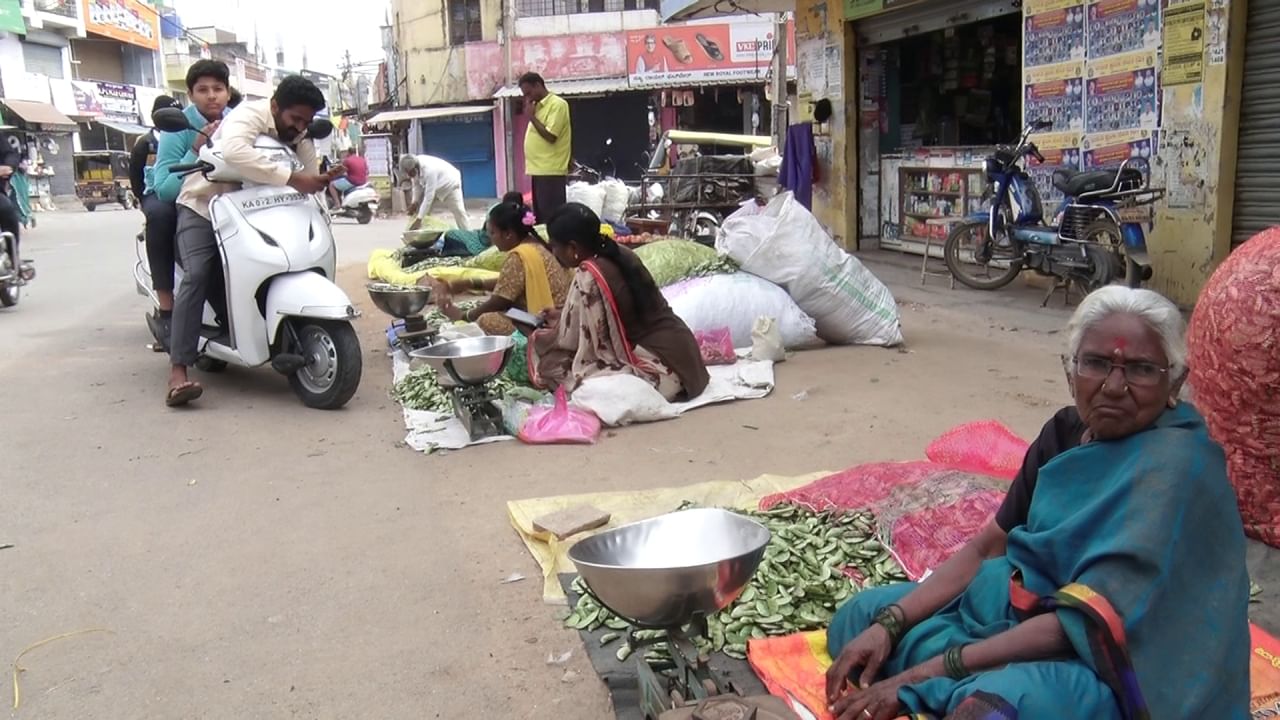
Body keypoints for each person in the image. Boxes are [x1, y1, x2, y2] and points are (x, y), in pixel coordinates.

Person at [823, 286, 1249, 720]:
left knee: (990, 709)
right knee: (857, 624)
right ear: (1070, 372)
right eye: (1097, 364)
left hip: (1113, 659)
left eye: (1140, 369)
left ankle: (956, 686)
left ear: (1174, 380)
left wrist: (924, 673)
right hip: (1017, 622)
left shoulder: (1177, 469)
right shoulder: (1063, 434)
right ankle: (953, 680)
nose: (1114, 386)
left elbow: (1082, 625)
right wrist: (889, 625)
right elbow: (985, 548)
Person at [165, 75, 338, 407]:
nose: (299, 127)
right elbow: (234, 150)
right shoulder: (248, 115)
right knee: (198, 272)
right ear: (275, 106)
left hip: (259, 209)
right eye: (295, 119)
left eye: (305, 121)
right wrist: (292, 177)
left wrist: (319, 183)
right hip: (205, 205)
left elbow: (309, 171)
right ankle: (178, 371)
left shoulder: (297, 132)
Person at [529, 203, 708, 401]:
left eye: (554, 246)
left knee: (553, 365)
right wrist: (564, 316)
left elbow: (585, 341)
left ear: (573, 248)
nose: (554, 253)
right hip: (687, 358)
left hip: (663, 370)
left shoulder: (589, 275)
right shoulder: (620, 252)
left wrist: (544, 335)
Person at [146, 62, 232, 349]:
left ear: (228, 93)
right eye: (203, 90)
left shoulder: (237, 121)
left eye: (218, 89)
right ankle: (168, 309)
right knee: (160, 215)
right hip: (176, 196)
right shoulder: (178, 126)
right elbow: (166, 188)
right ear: (191, 95)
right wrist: (194, 147)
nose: (212, 96)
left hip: (221, 195)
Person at [425, 195, 570, 336]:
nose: (491, 239)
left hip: (547, 319)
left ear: (508, 234)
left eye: (493, 233)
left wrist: (464, 316)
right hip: (561, 315)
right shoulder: (536, 245)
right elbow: (510, 282)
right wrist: (468, 283)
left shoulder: (518, 255)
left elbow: (500, 301)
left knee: (486, 320)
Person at [519, 72, 571, 222]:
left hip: (550, 170)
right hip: (538, 170)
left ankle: (555, 245)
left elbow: (551, 136)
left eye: (529, 93)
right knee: (541, 217)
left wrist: (531, 117)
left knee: (552, 217)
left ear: (538, 85)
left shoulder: (557, 105)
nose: (527, 97)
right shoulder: (536, 106)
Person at [129, 94, 181, 206]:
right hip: (155, 194)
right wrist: (143, 197)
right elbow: (135, 174)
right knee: (158, 215)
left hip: (185, 191)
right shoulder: (145, 144)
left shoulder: (188, 137)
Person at [399, 153, 469, 232]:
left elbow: (429, 198)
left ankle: (468, 236)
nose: (408, 176)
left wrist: (419, 219)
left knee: (459, 212)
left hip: (449, 184)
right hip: (434, 187)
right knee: (422, 213)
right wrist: (414, 202)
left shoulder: (429, 170)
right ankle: (420, 237)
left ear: (415, 168)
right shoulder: (413, 166)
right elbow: (416, 186)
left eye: (409, 173)